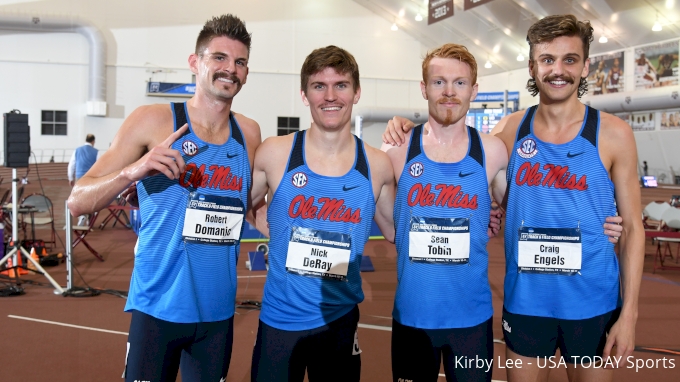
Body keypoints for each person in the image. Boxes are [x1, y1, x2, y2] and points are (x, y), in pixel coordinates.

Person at [382, 14, 635, 382]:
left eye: (569, 59)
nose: (558, 70)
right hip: (525, 303)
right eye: (547, 59)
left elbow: (632, 229)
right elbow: (471, 169)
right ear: (532, 67)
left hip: (591, 299)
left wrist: (630, 313)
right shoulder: (510, 130)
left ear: (585, 65)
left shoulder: (612, 133)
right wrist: (403, 125)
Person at [67, 14, 261, 382]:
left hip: (217, 314)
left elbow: (251, 206)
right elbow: (78, 199)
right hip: (158, 308)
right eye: (218, 58)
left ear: (247, 72)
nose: (229, 69)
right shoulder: (153, 120)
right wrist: (133, 171)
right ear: (195, 62)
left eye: (239, 62)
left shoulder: (249, 133)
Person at [249, 45, 396, 382]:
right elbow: (238, 203)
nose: (330, 96)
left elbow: (396, 230)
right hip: (279, 323)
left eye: (341, 85)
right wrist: (274, 227)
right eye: (319, 86)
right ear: (304, 94)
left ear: (356, 92)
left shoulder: (377, 164)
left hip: (339, 323)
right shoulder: (275, 153)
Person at [381, 43, 507, 382]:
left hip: (472, 321)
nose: (449, 92)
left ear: (474, 90)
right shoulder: (397, 148)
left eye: (460, 83)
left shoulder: (492, 151)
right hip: (413, 317)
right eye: (439, 82)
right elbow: (386, 221)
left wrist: (599, 223)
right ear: (424, 89)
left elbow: (528, 206)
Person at [67, 134, 98, 225]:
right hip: (91, 177)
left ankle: (81, 215)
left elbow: (71, 165)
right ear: (93, 141)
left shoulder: (77, 150)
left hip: (79, 177)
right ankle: (89, 219)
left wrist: (70, 178)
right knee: (91, 198)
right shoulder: (96, 152)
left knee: (79, 197)